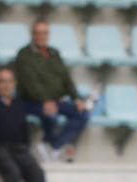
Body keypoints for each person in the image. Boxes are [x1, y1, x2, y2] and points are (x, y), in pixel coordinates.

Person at [14, 19, 90, 163]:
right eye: (38, 33)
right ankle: (50, 145)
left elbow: (66, 78)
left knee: (82, 113)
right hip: (31, 101)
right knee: (50, 113)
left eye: (45, 33)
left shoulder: (54, 53)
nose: (42, 36)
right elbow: (31, 83)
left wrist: (76, 98)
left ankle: (54, 145)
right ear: (32, 35)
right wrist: (46, 100)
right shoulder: (24, 55)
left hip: (55, 100)